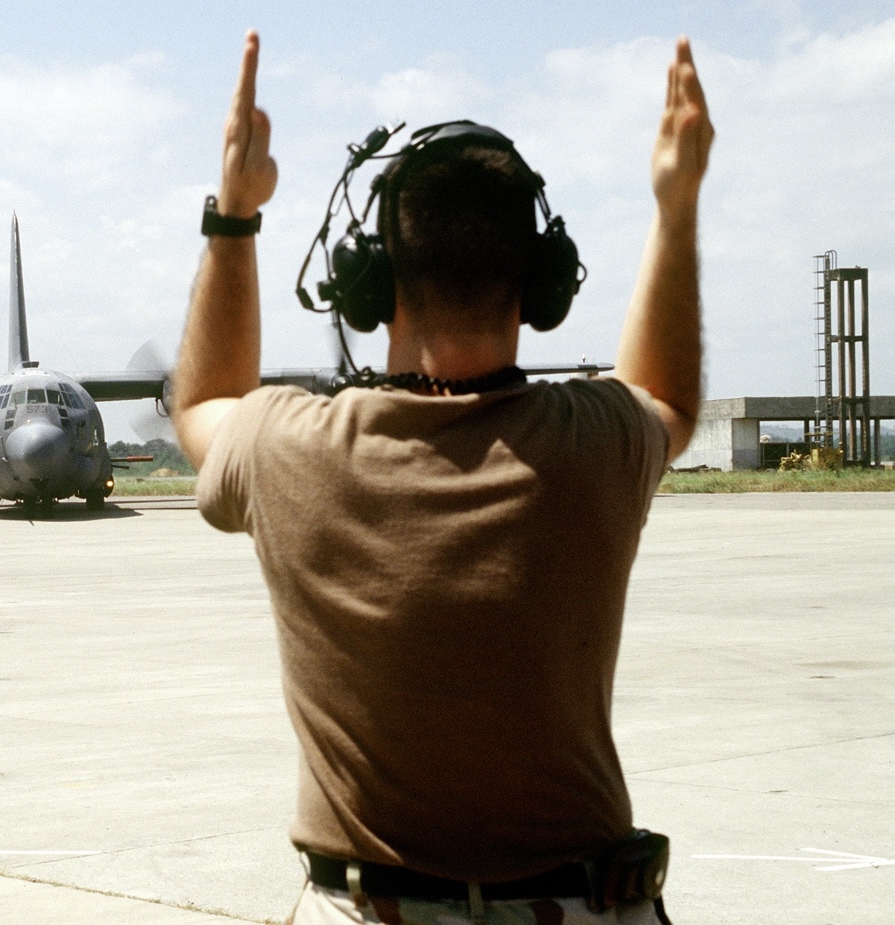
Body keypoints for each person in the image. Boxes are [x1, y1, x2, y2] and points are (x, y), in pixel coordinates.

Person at [174, 30, 714, 925]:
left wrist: (235, 214)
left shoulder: (284, 445)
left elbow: (205, 402)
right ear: (541, 288)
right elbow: (665, 391)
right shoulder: (596, 445)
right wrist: (677, 205)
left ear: (368, 281)